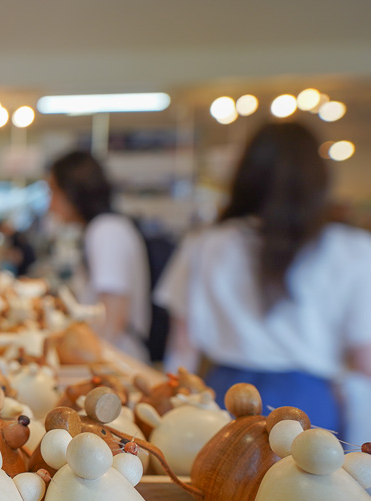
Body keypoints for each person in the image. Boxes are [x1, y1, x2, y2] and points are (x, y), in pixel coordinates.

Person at [154, 121, 371, 433]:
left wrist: (171, 412)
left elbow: (183, 346)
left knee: (224, 479)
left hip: (227, 400)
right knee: (313, 480)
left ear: (247, 175)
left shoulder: (207, 244)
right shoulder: (352, 249)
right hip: (312, 405)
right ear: (319, 178)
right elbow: (365, 363)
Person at [46, 151, 150, 361]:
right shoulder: (105, 228)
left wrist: (93, 365)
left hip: (117, 358)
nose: (51, 205)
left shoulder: (106, 231)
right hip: (110, 355)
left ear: (73, 191)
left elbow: (112, 316)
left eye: (53, 192)